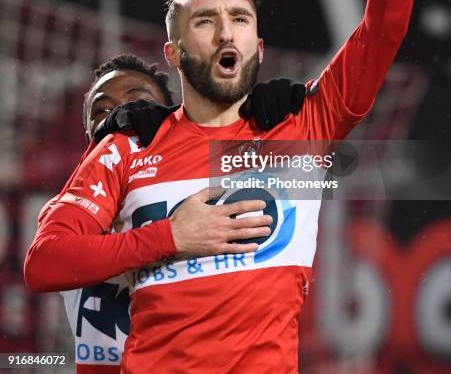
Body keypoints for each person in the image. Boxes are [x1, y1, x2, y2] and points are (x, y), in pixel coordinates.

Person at [25, 0, 433, 373]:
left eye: (239, 18)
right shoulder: (128, 147)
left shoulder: (304, 126)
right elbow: (45, 263)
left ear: (258, 46)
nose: (225, 31)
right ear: (174, 54)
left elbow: (382, 31)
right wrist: (171, 235)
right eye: (204, 20)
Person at [34, 53, 306, 373]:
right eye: (103, 111)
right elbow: (42, 265)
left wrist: (285, 121)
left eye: (140, 103)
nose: (121, 114)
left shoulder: (204, 199)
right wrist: (168, 236)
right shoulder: (70, 218)